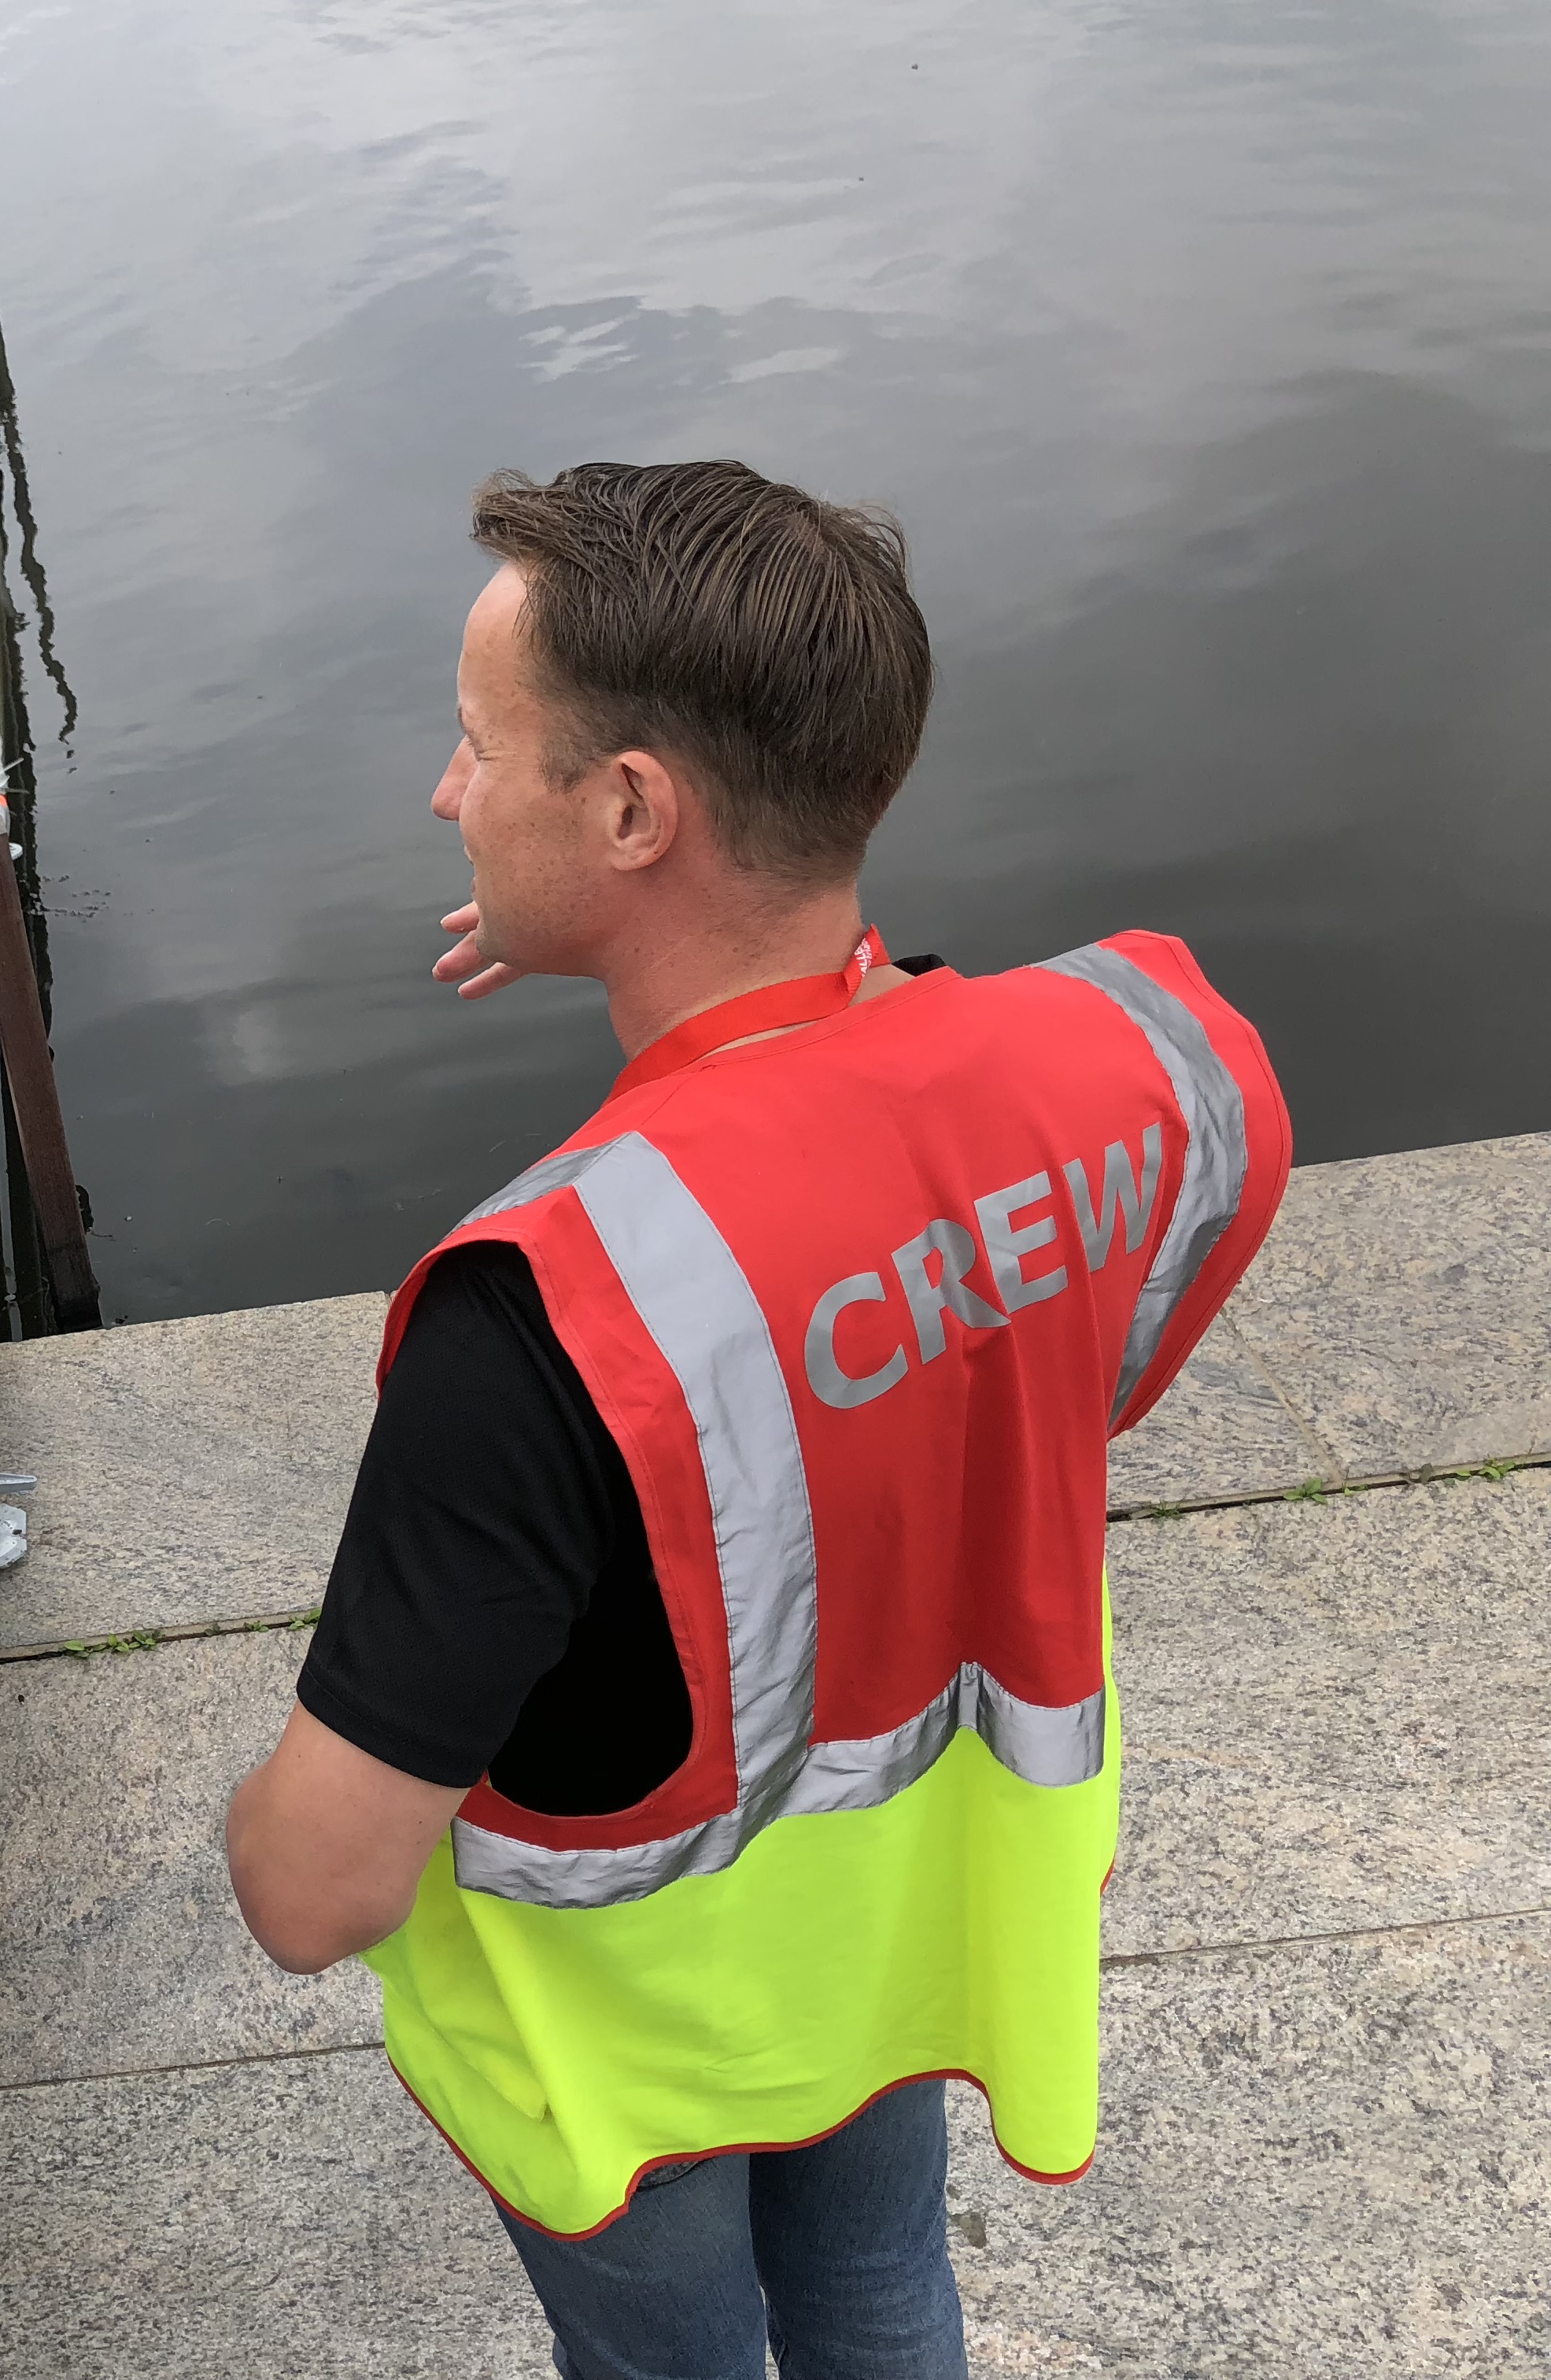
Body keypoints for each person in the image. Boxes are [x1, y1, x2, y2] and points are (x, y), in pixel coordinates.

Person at [224, 460, 1291, 2377]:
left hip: (630, 2045)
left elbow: (315, 1897)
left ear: (634, 812)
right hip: (910, 1940)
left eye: (481, 748)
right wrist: (634, 954)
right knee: (882, 2292)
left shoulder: (532, 1317)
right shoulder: (1125, 1057)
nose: (448, 795)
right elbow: (1096, 1289)